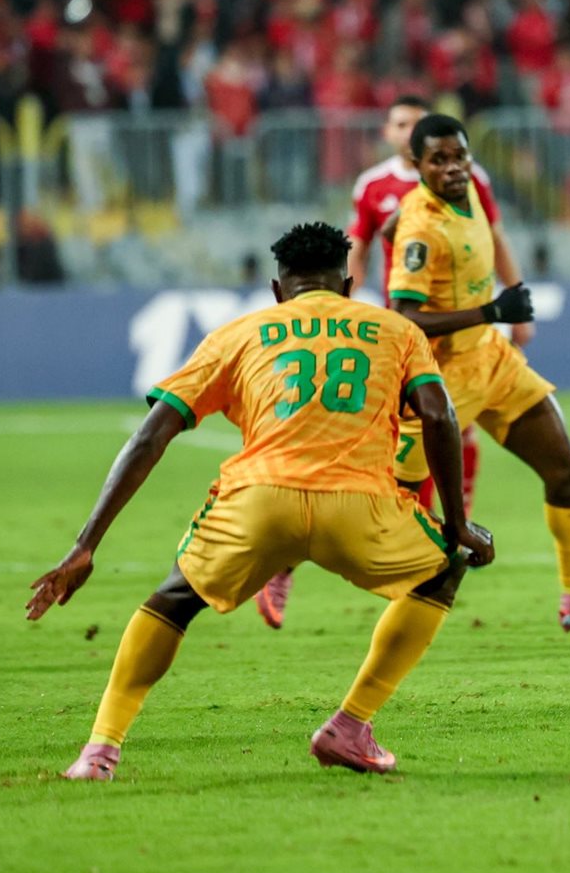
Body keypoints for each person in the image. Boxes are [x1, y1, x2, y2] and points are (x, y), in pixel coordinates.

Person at [28, 223, 493, 780]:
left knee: (174, 600)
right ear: (347, 286)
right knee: (444, 570)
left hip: (259, 503)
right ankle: (350, 725)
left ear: (278, 290)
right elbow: (440, 415)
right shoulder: (396, 330)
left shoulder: (238, 334)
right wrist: (458, 523)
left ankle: (100, 751)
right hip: (360, 507)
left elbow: (150, 436)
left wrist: (86, 544)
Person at [254, 94, 516, 628]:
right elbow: (361, 245)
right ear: (393, 136)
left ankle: (443, 534)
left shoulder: (467, 179)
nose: (410, 131)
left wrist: (513, 297)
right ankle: (290, 559)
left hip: (456, 336)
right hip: (406, 329)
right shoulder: (374, 186)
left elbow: (493, 234)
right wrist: (345, 305)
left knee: (451, 433)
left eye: (418, 123)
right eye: (401, 124)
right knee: (378, 449)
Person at [386, 114, 570, 632]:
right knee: (391, 503)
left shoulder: (471, 189)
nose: (453, 167)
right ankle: (288, 556)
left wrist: (496, 315)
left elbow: (409, 226)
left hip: (493, 361)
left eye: (459, 155)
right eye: (438, 160)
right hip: (441, 378)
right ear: (417, 165)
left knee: (565, 470)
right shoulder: (421, 227)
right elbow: (404, 315)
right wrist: (491, 311)